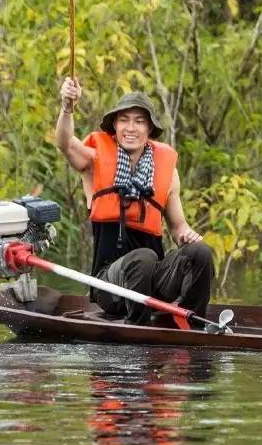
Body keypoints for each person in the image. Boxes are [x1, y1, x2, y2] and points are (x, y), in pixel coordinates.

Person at [54, 77, 214, 325]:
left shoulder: (167, 172)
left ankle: (192, 325)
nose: (131, 128)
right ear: (115, 127)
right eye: (124, 120)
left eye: (139, 122)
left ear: (149, 129)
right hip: (109, 286)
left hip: (153, 283)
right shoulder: (94, 161)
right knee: (144, 258)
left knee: (200, 253)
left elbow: (178, 227)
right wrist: (67, 107)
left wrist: (188, 235)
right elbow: (64, 142)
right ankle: (139, 329)